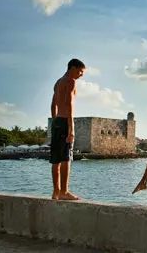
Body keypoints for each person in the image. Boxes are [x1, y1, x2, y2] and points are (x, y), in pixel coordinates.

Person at [49, 58, 85, 200]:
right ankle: (64, 192)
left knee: (55, 160)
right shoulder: (70, 81)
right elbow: (69, 105)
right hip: (64, 122)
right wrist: (71, 129)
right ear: (73, 68)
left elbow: (53, 104)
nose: (81, 75)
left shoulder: (58, 82)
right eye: (80, 71)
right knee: (66, 159)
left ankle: (56, 192)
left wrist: (54, 121)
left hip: (56, 121)